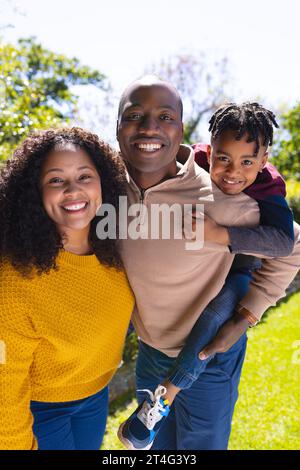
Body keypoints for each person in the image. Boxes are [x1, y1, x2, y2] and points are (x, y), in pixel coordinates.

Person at [115, 76, 300, 450]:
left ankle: (173, 386)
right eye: (224, 159)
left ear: (263, 161)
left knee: (218, 312)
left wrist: (247, 315)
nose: (233, 172)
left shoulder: (255, 193)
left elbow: (289, 244)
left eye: (248, 162)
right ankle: (161, 398)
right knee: (154, 444)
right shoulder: (122, 181)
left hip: (219, 333)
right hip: (151, 348)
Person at [0, 127, 134, 450]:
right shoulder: (14, 279)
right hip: (41, 411)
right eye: (56, 180)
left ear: (103, 183)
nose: (74, 190)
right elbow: (4, 379)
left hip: (96, 396)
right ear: (35, 192)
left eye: (85, 176)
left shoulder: (115, 251)